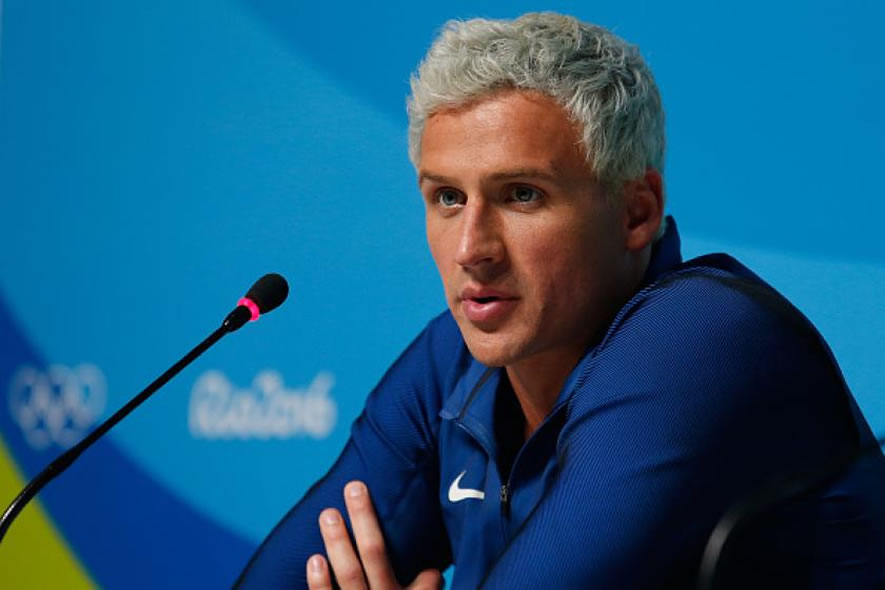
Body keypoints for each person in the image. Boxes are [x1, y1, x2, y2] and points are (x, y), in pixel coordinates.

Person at [236, 13, 885, 589]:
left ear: (636, 213)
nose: (471, 248)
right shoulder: (453, 361)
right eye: (446, 198)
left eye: (521, 195)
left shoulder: (702, 339)